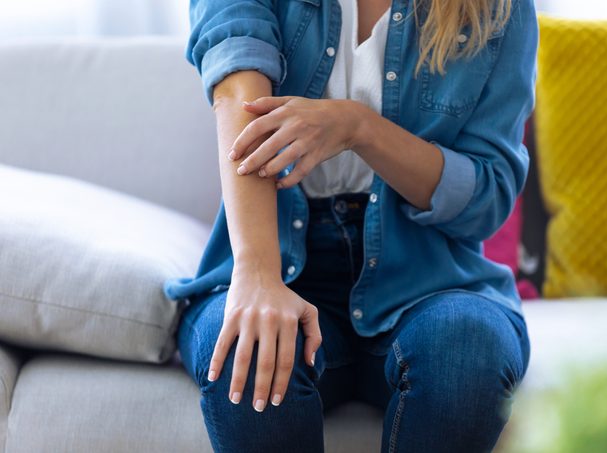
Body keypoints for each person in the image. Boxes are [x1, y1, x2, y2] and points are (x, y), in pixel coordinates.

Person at [164, 0, 538, 450]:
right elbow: (239, 100)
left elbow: (487, 198)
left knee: (467, 348)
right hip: (277, 259)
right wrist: (258, 274)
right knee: (248, 352)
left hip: (429, 280)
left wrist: (360, 128)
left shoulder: (501, 8)